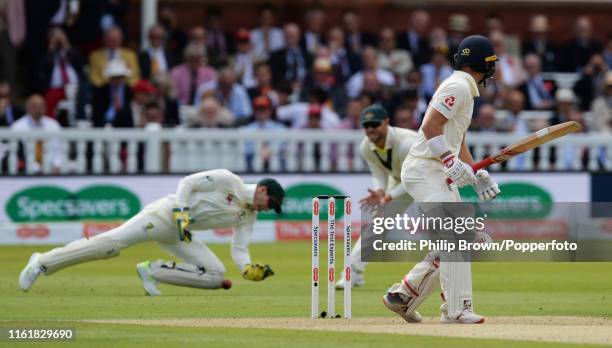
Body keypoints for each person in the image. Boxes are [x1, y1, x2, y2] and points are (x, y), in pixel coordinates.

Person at [383, 35, 501, 324]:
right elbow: (429, 126)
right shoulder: (458, 86)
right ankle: (457, 309)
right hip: (425, 168)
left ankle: (404, 295)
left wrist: (475, 174)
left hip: (433, 169)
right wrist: (450, 162)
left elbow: (455, 138)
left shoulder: (464, 89)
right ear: (482, 64)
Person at [19, 170, 284, 295]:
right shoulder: (229, 180)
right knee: (110, 246)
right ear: (262, 190)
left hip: (181, 233)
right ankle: (42, 262)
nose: (269, 209)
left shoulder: (249, 215)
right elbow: (187, 182)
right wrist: (180, 211)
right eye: (271, 203)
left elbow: (239, 247)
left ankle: (152, 271)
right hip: (163, 215)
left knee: (215, 275)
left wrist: (246, 268)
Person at [334, 104, 418, 291]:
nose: (370, 129)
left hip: (429, 180)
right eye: (366, 125)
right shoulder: (366, 146)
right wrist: (380, 191)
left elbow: (414, 178)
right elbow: (378, 172)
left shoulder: (406, 143)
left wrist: (388, 196)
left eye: (375, 124)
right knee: (375, 225)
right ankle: (353, 273)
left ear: (386, 122)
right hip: (399, 183)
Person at [11, 95, 63, 174]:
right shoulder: (17, 127)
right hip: (27, 170)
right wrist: (35, 168)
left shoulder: (54, 125)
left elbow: (59, 150)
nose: (39, 108)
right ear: (27, 107)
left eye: (41, 105)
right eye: (35, 105)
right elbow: (18, 154)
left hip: (52, 169)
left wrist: (57, 165)